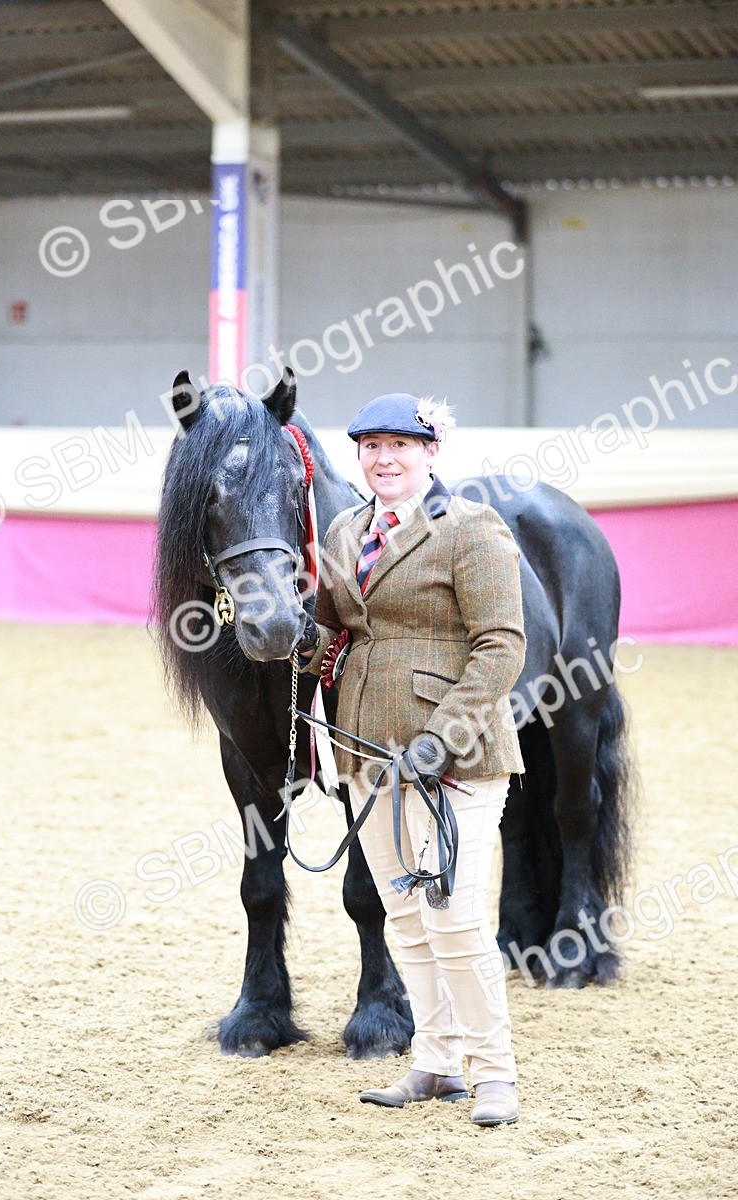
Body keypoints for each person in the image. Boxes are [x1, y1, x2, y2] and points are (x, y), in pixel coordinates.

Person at [296, 392, 526, 1127]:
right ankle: (436, 1064)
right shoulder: (344, 528)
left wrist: (444, 735)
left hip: (454, 759)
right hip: (365, 751)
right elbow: (333, 624)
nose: (384, 459)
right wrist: (280, 628)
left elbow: (501, 644)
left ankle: (495, 1074)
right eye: (370, 447)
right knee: (406, 918)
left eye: (400, 446)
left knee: (455, 918)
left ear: (431, 453)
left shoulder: (470, 528)